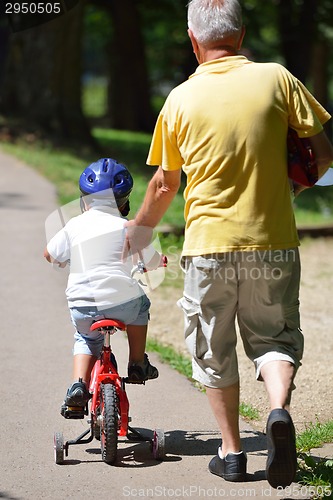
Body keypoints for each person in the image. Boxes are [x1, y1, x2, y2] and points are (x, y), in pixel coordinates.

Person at [125, 0, 333, 489]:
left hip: (208, 248)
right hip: (273, 243)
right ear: (240, 36)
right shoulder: (278, 79)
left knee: (214, 350)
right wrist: (294, 188)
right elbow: (323, 155)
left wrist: (138, 233)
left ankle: (233, 452)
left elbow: (163, 184)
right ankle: (278, 410)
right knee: (274, 340)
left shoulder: (179, 99)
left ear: (193, 40)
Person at [44, 158, 161, 419]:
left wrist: (63, 259)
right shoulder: (131, 228)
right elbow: (153, 262)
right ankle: (137, 363)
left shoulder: (74, 225)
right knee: (142, 304)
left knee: (85, 338)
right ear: (124, 201)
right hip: (123, 306)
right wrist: (156, 263)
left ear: (84, 200)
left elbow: (49, 254)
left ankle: (78, 386)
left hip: (83, 305)